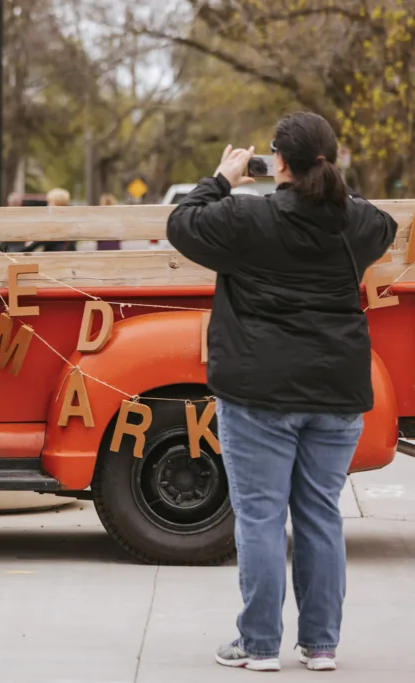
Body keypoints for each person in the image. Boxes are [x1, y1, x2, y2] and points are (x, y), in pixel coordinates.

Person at [166, 112, 398, 672]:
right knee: (320, 514)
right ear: (331, 161)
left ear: (279, 164)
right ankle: (321, 646)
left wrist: (222, 178)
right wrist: (332, 182)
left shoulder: (247, 218)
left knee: (262, 518)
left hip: (257, 392)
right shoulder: (355, 223)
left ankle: (259, 645)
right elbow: (384, 224)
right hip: (337, 393)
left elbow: (183, 224)